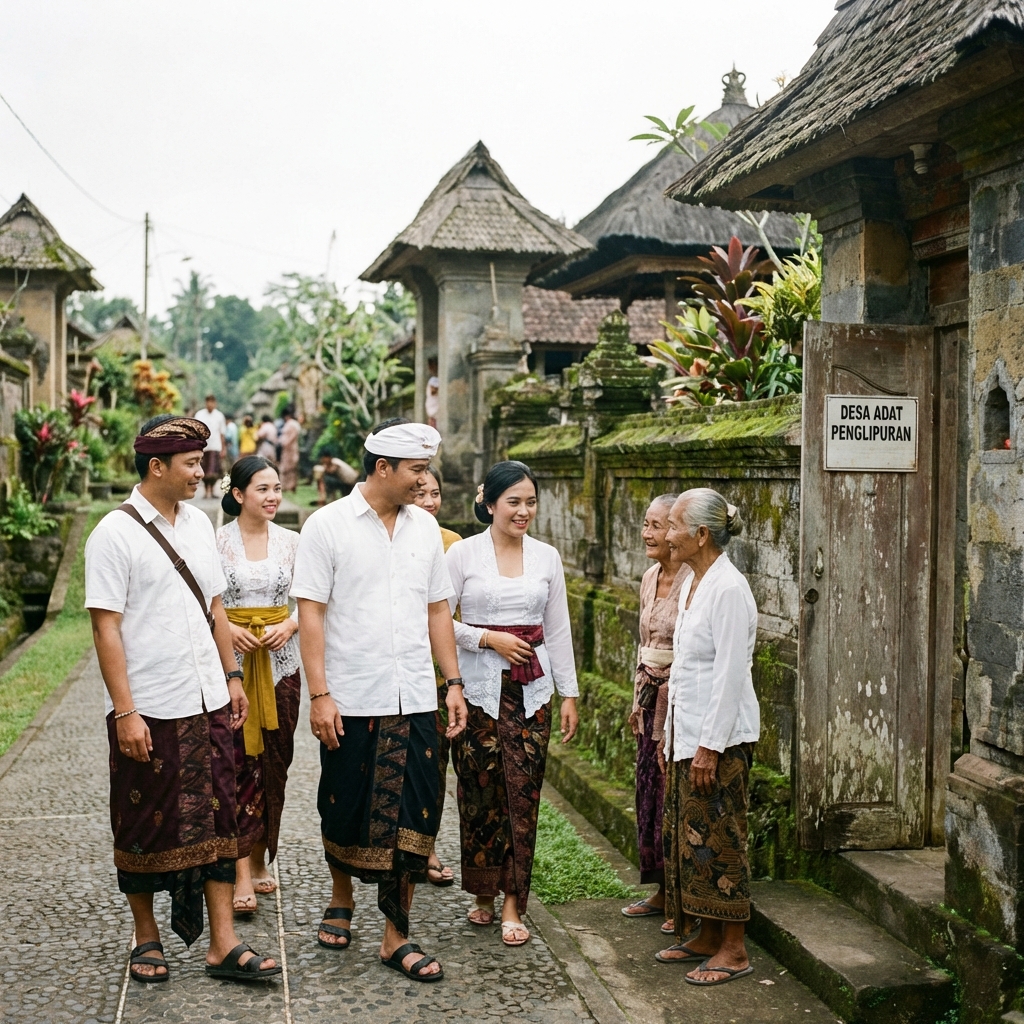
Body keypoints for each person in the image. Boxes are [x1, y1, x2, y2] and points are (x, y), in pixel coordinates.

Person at [85, 414, 280, 985]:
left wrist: (234, 677)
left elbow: (215, 608)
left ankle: (223, 943)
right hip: (151, 703)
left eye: (201, 461)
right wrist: (126, 711)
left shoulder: (197, 526)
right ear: (156, 467)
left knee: (222, 814)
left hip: (209, 698)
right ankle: (146, 938)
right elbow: (106, 629)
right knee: (144, 816)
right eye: (191, 464)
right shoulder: (113, 534)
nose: (202, 472)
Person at [291, 417, 468, 983]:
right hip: (352, 694)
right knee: (342, 804)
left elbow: (438, 609)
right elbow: (311, 614)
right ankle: (341, 896)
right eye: (416, 470)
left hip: (415, 695)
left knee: (416, 812)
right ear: (382, 468)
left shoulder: (424, 530)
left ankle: (397, 934)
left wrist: (453, 683)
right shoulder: (327, 526)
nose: (424, 480)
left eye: (426, 469)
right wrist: (320, 695)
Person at [446, 460, 579, 947]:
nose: (523, 511)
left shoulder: (547, 558)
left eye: (530, 502)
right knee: (479, 793)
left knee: (523, 795)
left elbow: (558, 629)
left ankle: (512, 901)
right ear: (488, 504)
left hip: (532, 693)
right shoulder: (462, 555)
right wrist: (488, 639)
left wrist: (570, 694)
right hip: (478, 693)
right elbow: (436, 621)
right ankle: (481, 892)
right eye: (513, 502)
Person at [656, 488, 759, 987]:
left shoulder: (729, 589)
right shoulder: (696, 583)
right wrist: (671, 733)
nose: (667, 533)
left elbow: (729, 675)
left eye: (674, 524)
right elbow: (688, 672)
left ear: (700, 535)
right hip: (688, 735)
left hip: (717, 742)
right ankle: (705, 934)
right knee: (693, 838)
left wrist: (709, 747)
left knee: (723, 839)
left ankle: (735, 949)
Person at [217, 456, 301, 915]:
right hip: (229, 667)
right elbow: (204, 602)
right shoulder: (215, 543)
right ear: (238, 494)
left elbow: (311, 600)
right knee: (232, 762)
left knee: (274, 760)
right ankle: (238, 868)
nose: (273, 497)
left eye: (278, 488)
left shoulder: (293, 543)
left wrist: (288, 626)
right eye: (263, 489)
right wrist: (227, 631)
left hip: (282, 665)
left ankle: (259, 852)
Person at [621, 494, 690, 928]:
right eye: (645, 524)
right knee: (648, 793)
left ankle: (681, 897)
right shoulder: (649, 576)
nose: (648, 533)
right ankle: (661, 890)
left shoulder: (691, 580)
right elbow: (643, 644)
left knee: (672, 797)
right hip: (648, 699)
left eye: (658, 525)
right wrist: (636, 702)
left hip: (676, 701)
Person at [412, 466, 461, 888]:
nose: (429, 501)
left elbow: (452, 614)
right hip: (397, 671)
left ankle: (426, 845)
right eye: (420, 492)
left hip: (439, 676)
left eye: (435, 493)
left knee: (434, 768)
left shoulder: (452, 545)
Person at [194, 395, 227, 499]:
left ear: (215, 403)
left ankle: (212, 490)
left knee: (214, 470)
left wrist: (223, 448)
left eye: (212, 402)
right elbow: (195, 432)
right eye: (208, 402)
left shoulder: (219, 416)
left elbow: (222, 433)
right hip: (203, 447)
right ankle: (206, 490)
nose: (210, 404)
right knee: (203, 469)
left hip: (215, 446)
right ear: (206, 403)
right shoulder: (199, 415)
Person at [277, 406, 301, 493]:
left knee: (290, 468)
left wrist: (287, 444)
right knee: (286, 468)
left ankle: (291, 485)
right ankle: (286, 485)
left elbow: (293, 435)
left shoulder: (292, 424)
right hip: (287, 449)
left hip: (290, 449)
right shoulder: (290, 424)